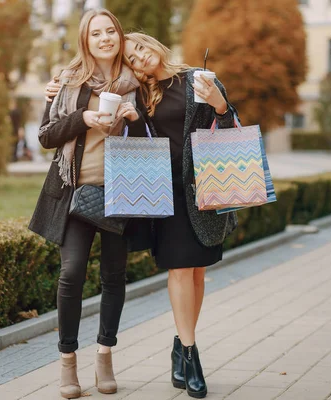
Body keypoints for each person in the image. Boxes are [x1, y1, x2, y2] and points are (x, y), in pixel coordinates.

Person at [44, 32, 238, 399]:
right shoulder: (144, 92)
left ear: (155, 45)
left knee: (196, 273)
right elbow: (133, 140)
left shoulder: (198, 77)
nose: (140, 59)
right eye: (132, 57)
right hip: (164, 194)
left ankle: (180, 347)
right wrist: (126, 116)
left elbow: (228, 130)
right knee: (180, 271)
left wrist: (220, 104)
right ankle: (193, 356)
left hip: (204, 192)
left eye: (142, 49)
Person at [28, 9, 146, 399]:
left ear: (119, 35)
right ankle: (67, 362)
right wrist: (84, 118)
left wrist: (134, 117)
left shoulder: (137, 84)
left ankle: (105, 355)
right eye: (96, 33)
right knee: (72, 273)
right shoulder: (68, 81)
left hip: (120, 193)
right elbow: (46, 136)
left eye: (111, 30)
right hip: (74, 191)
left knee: (114, 276)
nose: (105, 38)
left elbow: (153, 134)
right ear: (86, 40)